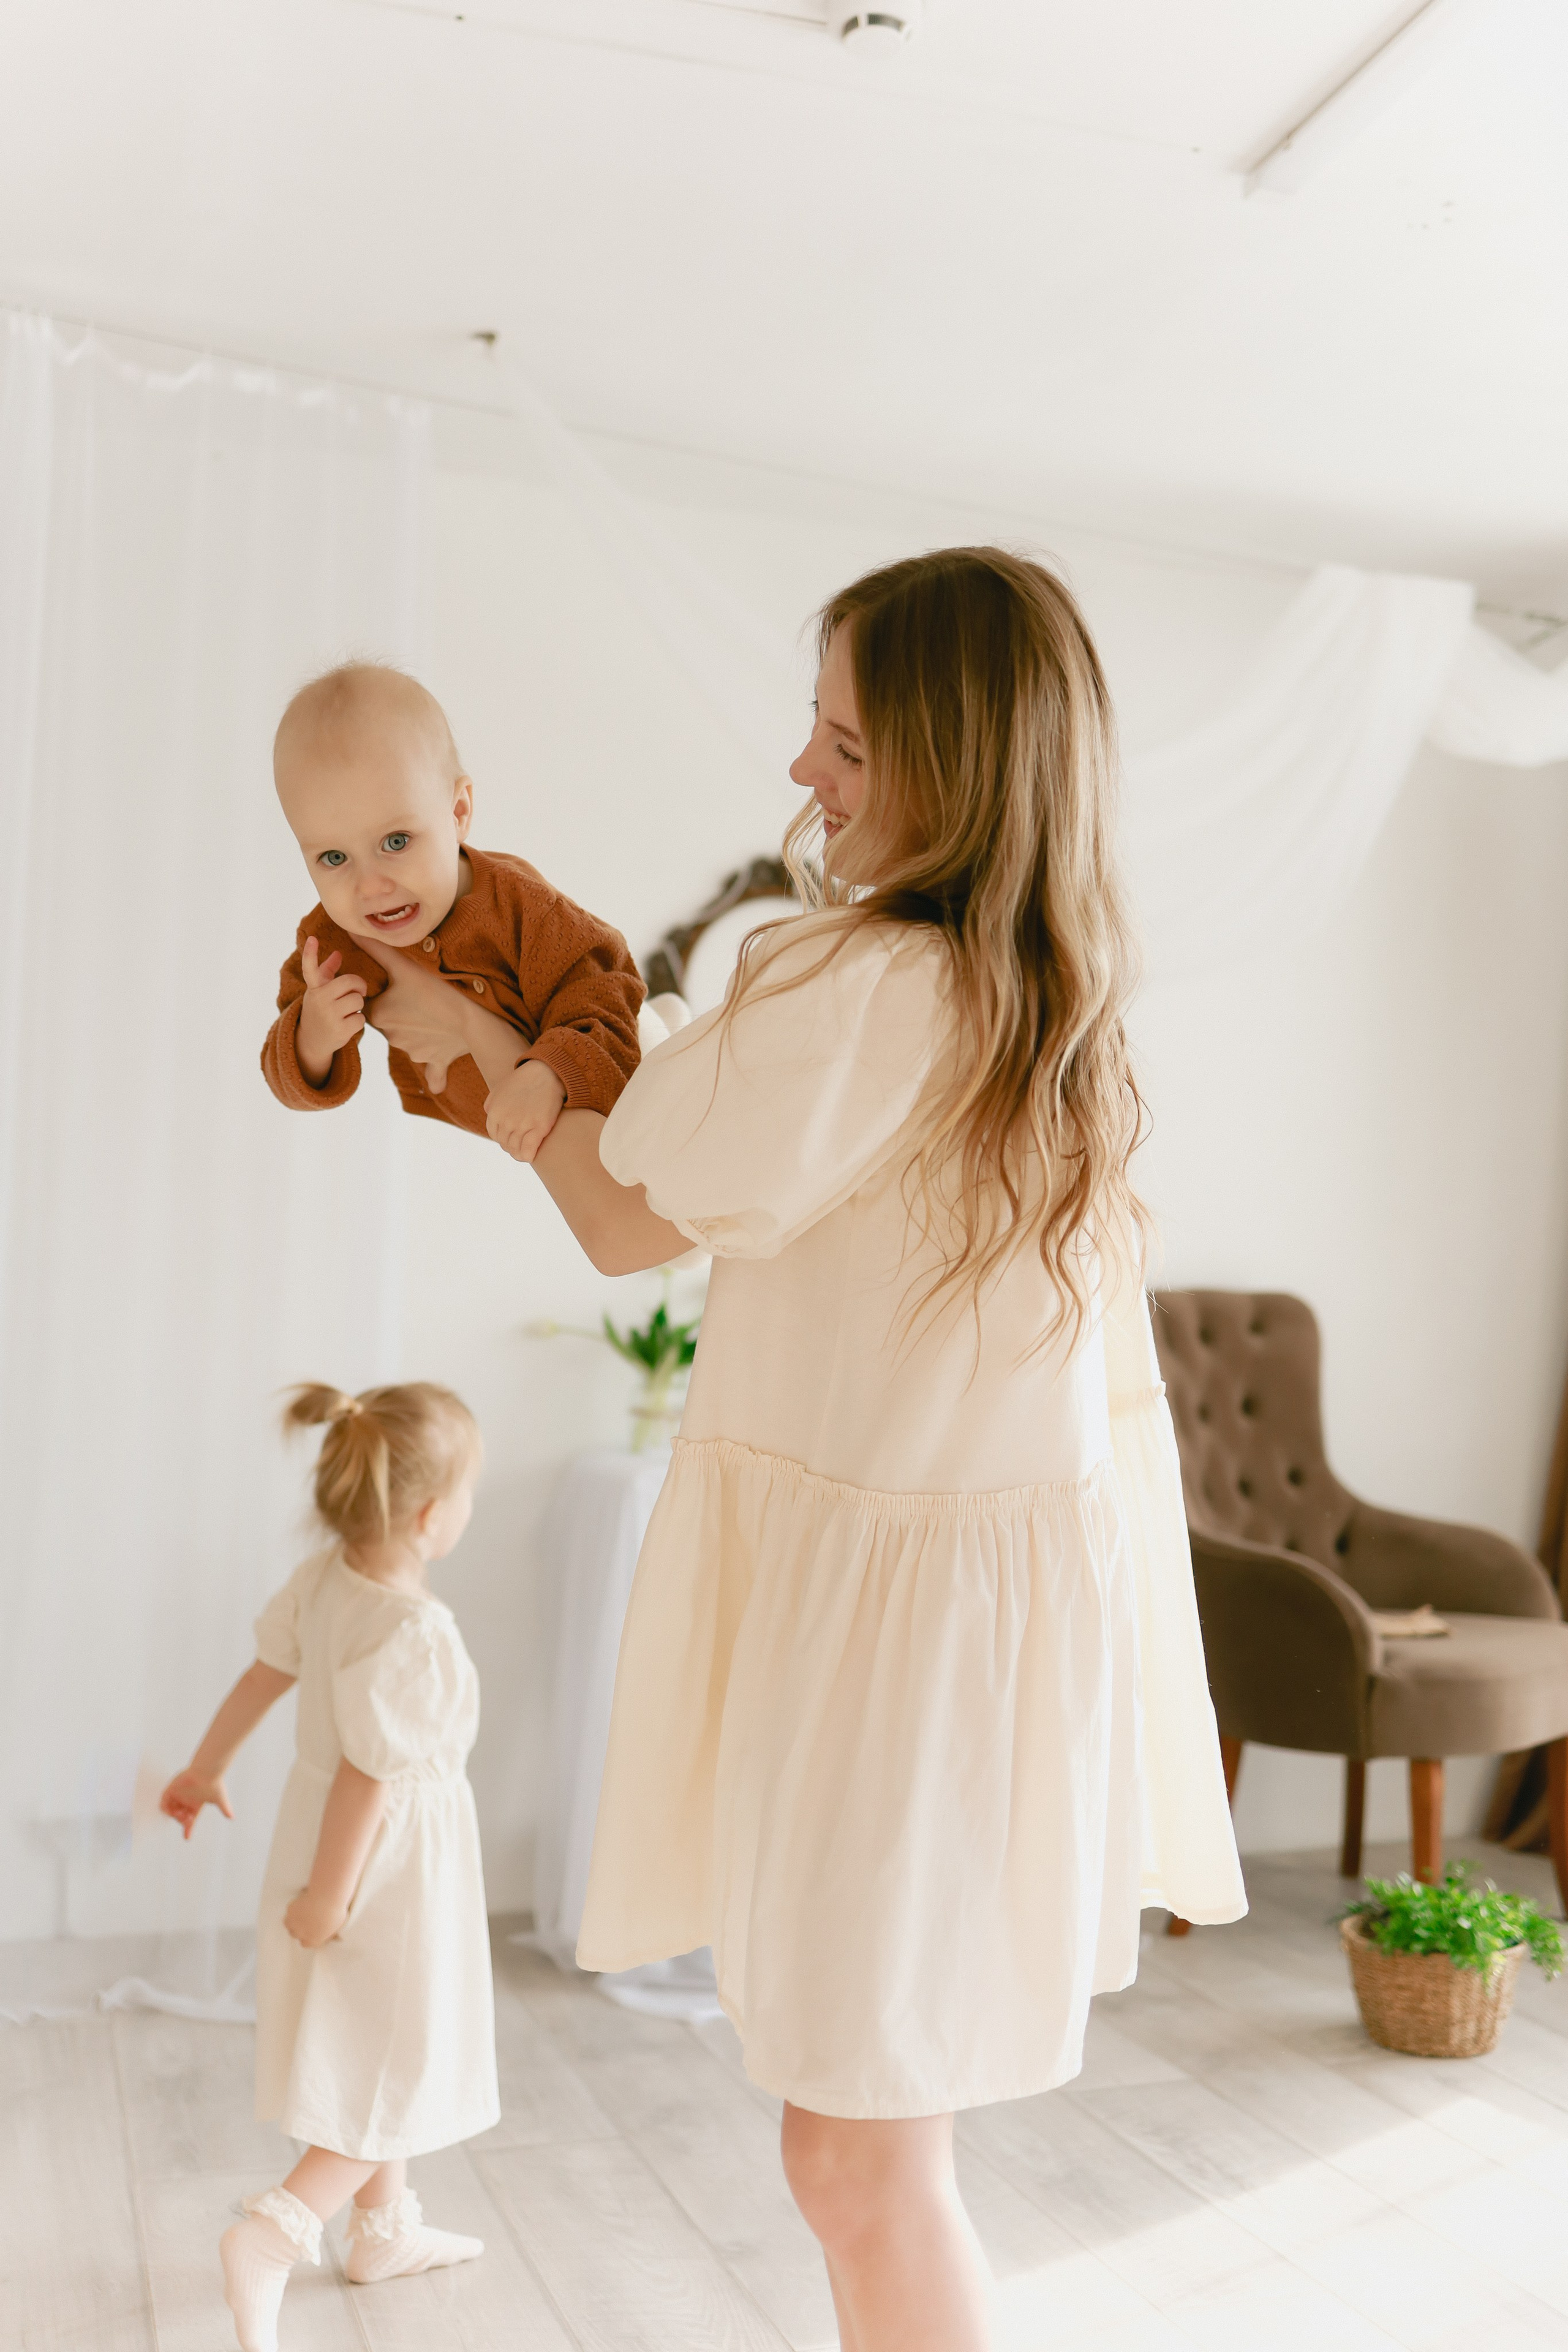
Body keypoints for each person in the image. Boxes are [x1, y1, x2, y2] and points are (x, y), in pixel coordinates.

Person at [366, 548, 1246, 2352]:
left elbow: (624, 1215)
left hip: (899, 1665)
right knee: (865, 2148)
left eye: (842, 742)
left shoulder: (859, 982)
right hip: (970, 1651)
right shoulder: (1039, 1004)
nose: (801, 772)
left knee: (855, 2159)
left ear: (952, 767)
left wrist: (486, 1049)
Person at [159, 1381, 497, 2352]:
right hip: (383, 1867)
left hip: (323, 1836)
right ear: (429, 1516)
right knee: (400, 2055)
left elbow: (263, 1675)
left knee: (368, 2040)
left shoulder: (325, 1580)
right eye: (469, 1494)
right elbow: (368, 1776)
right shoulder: (419, 1633)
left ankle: (382, 2230)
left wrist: (204, 1768)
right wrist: (331, 1896)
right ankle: (275, 2233)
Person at [262, 662, 644, 1164]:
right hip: (547, 1151)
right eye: (334, 858)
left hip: (636, 1091)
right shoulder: (331, 945)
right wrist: (312, 1036)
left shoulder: (522, 906)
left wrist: (549, 1074)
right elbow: (284, 1080)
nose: (371, 887)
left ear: (458, 812)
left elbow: (608, 992)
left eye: (396, 842)